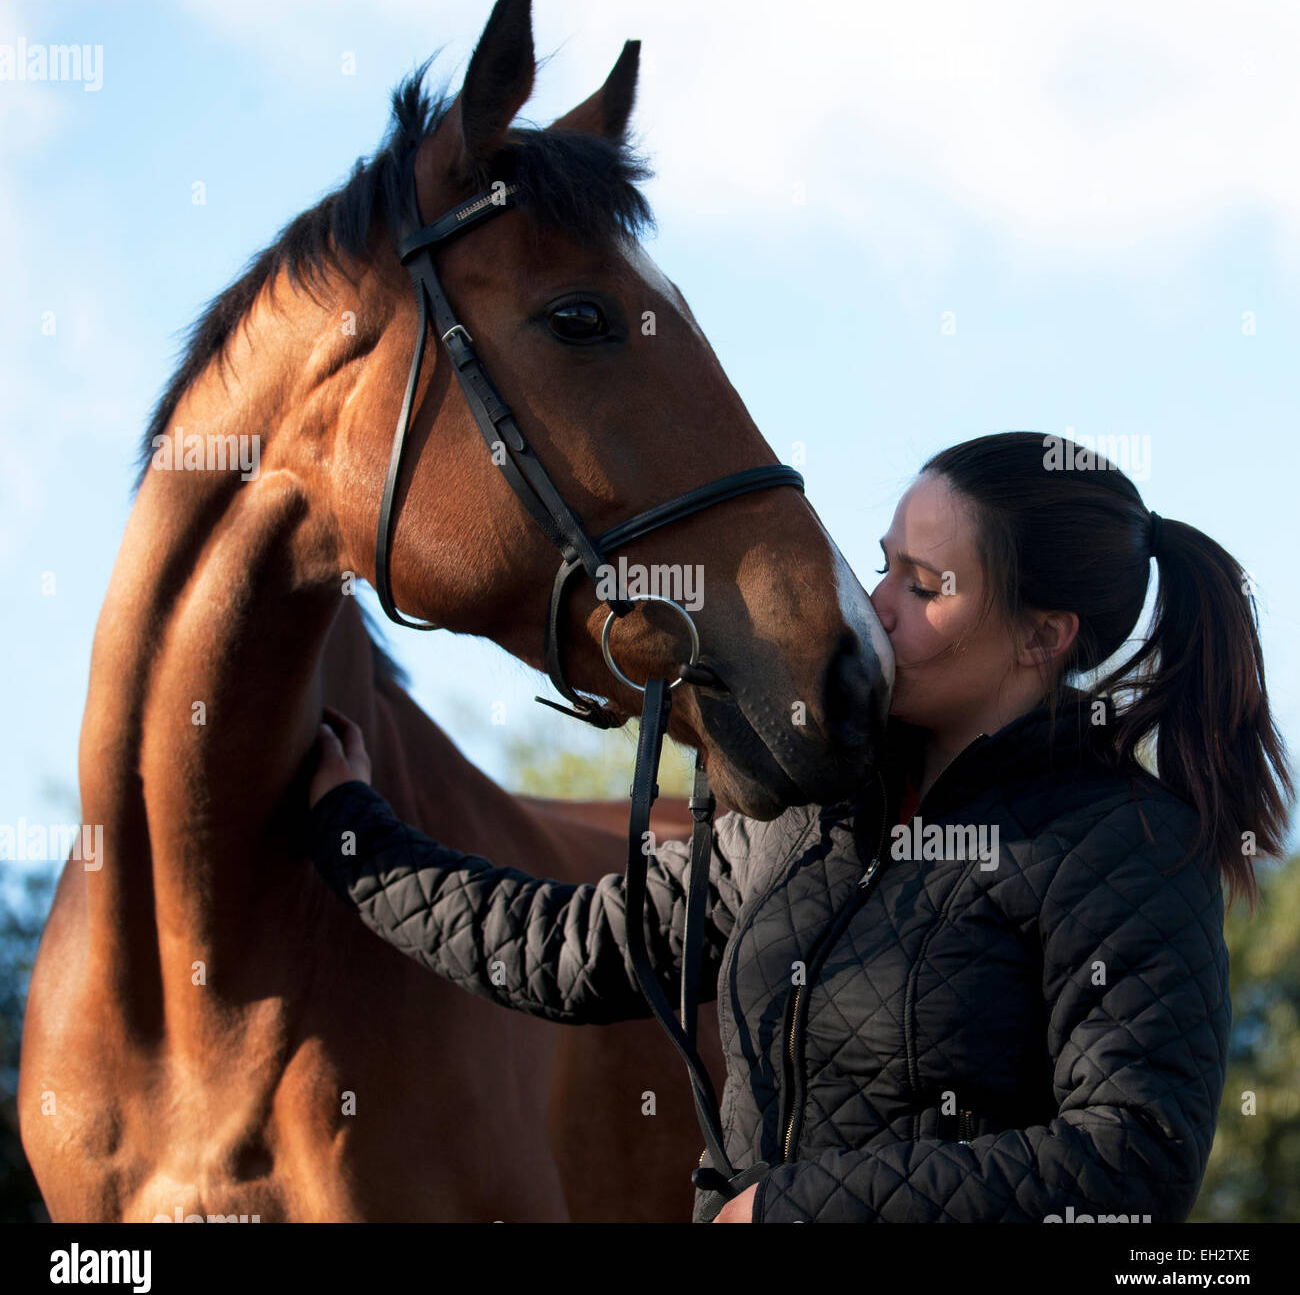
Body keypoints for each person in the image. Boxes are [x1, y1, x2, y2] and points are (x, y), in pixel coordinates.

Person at [302, 431, 1293, 1223]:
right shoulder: (816, 802)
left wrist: (796, 1206)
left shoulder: (1125, 843)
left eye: (925, 584)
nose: (875, 607)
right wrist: (354, 832)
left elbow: (1129, 1161)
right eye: (883, 566)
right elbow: (571, 950)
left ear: (1045, 634)